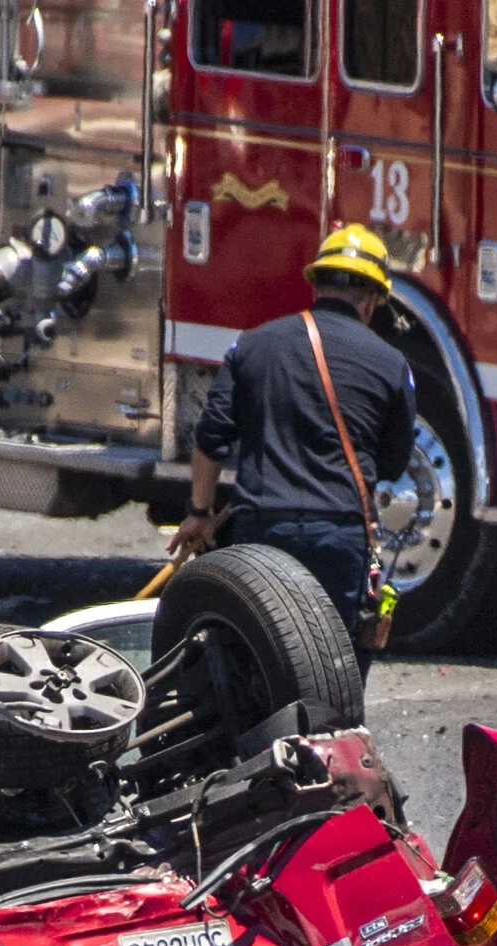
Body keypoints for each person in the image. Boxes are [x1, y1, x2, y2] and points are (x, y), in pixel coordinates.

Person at [169, 225, 416, 668]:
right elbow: (393, 464)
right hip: (340, 536)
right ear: (371, 300)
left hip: (263, 530)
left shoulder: (253, 344)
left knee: (255, 665)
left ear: (317, 285)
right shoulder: (392, 364)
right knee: (332, 675)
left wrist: (199, 513)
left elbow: (210, 439)